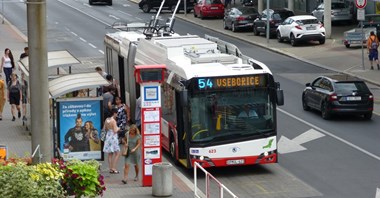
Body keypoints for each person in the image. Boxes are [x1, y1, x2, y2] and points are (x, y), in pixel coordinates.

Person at [103, 108, 121, 174]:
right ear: (114, 113)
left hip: (108, 137)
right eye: (116, 113)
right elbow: (115, 130)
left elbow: (104, 128)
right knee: (117, 153)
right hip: (113, 137)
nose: (117, 115)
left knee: (110, 154)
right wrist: (119, 128)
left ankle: (110, 168)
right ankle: (114, 168)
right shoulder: (113, 121)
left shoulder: (106, 120)